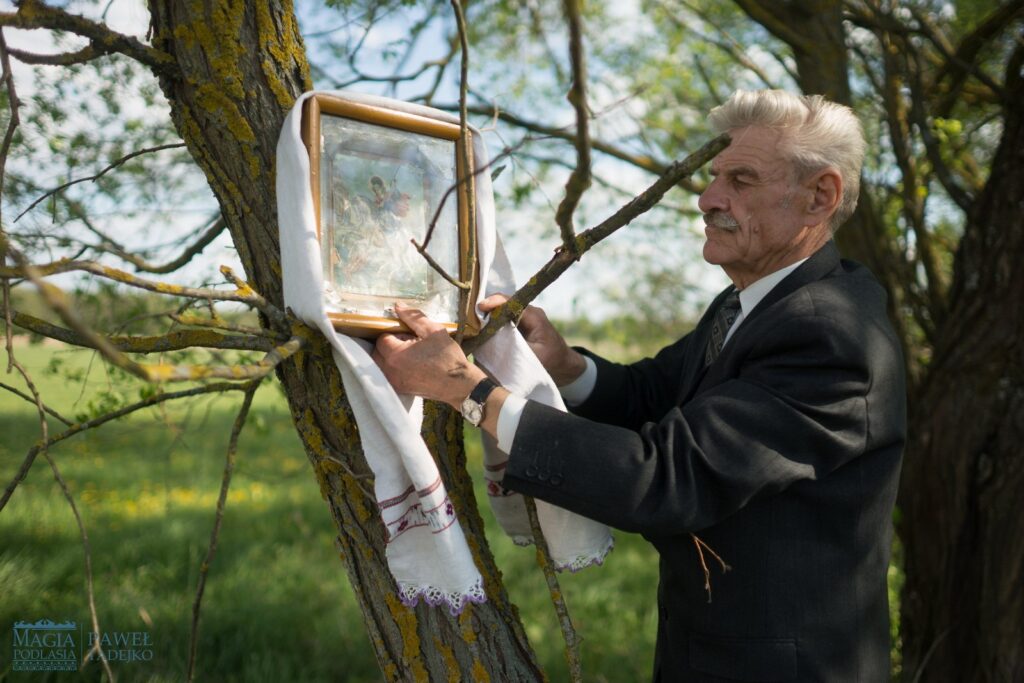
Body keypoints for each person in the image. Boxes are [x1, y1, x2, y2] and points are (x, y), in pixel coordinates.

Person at [373, 89, 906, 682]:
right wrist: (565, 366)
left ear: (820, 196)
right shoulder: (755, 303)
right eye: (713, 177)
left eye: (741, 180)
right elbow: (658, 392)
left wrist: (466, 390)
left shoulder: (828, 334)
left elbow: (668, 476)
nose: (707, 199)